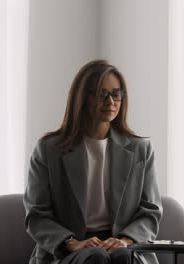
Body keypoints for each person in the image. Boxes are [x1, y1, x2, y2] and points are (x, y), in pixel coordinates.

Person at [24, 60, 162, 264]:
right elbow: (36, 216)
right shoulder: (48, 150)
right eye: (101, 94)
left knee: (124, 256)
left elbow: (151, 211)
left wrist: (125, 240)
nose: (110, 101)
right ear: (82, 98)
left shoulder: (141, 149)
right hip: (68, 249)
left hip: (123, 245)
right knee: (96, 257)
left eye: (116, 94)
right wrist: (71, 243)